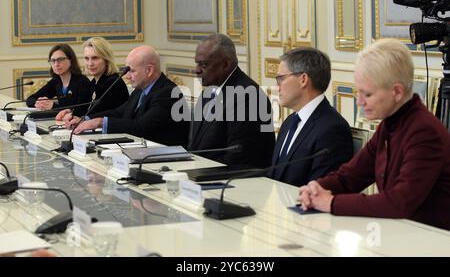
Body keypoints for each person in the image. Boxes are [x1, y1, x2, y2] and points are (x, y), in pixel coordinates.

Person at [298, 38, 450, 230]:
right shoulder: (390, 124)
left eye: (367, 94)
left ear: (396, 92)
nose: (360, 102)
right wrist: (317, 188)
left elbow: (398, 202)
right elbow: (350, 176)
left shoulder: (424, 132)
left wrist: (331, 203)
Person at [67, 45, 189, 147]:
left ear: (149, 70)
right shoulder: (140, 90)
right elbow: (119, 112)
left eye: (132, 71)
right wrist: (85, 119)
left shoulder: (168, 93)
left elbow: (141, 127)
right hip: (141, 150)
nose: (127, 76)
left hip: (165, 160)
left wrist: (100, 122)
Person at [268, 48, 353, 187]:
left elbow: (321, 189)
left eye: (281, 79)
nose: (276, 87)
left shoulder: (332, 130)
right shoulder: (290, 122)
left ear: (303, 79)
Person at [188, 33, 275, 168]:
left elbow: (238, 159)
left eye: (203, 64)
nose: (196, 70)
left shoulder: (248, 97)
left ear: (226, 64)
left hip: (232, 183)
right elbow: (196, 146)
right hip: (201, 176)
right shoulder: (209, 92)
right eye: (196, 63)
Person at [55, 37, 129, 121]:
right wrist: (70, 112)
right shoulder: (94, 82)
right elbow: (85, 108)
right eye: (87, 58)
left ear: (106, 60)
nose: (90, 63)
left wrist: (80, 118)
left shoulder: (113, 83)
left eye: (95, 58)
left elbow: (104, 114)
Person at [26, 44, 92, 116]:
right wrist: (38, 103)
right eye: (53, 60)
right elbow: (30, 99)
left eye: (60, 60)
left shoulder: (82, 82)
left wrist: (53, 107)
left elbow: (79, 111)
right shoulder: (56, 82)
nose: (56, 64)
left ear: (71, 60)